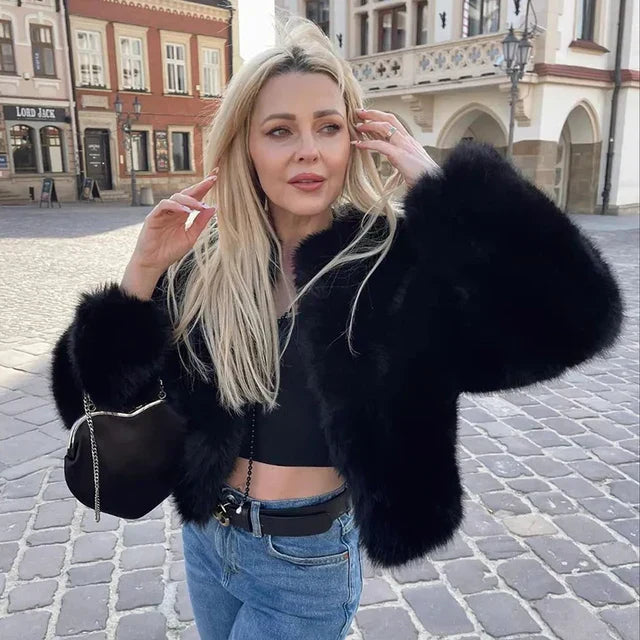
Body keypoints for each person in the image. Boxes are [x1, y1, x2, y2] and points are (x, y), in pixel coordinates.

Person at [50, 17, 624, 640]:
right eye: (280, 130)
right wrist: (141, 273)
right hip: (208, 541)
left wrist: (444, 191)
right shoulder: (207, 263)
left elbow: (579, 317)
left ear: (354, 138)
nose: (309, 151)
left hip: (306, 561)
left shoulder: (393, 263)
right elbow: (96, 398)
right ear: (246, 146)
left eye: (328, 127)